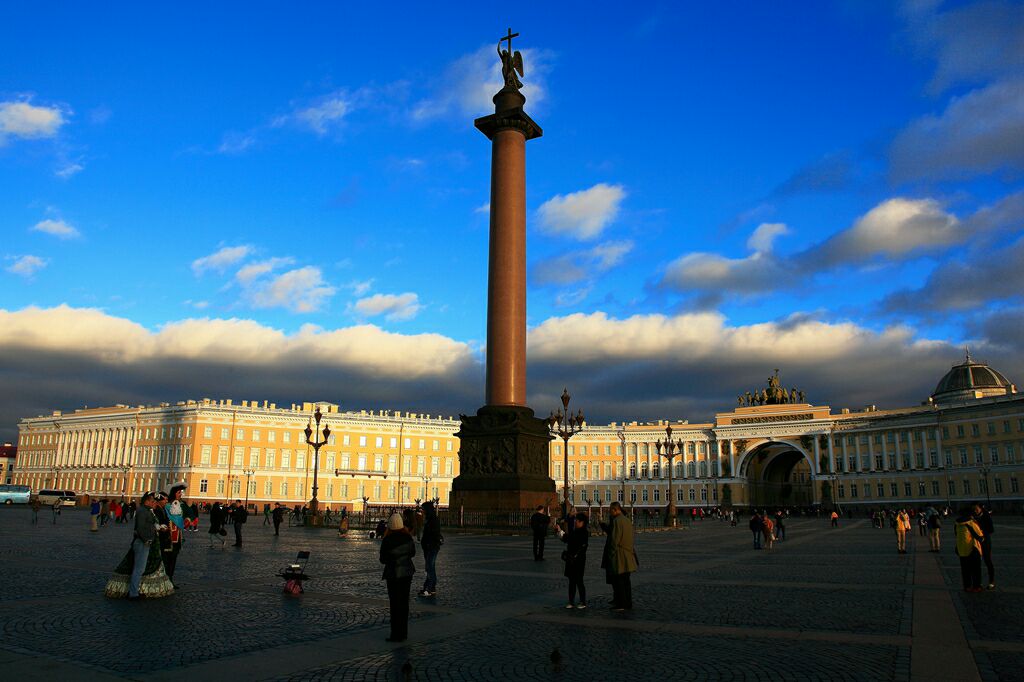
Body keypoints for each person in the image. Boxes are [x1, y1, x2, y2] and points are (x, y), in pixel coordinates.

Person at [105, 492, 174, 599]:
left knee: (140, 568)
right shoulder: (142, 511)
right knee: (139, 569)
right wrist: (147, 540)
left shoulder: (147, 510)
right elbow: (141, 528)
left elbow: (150, 524)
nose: (153, 503)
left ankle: (136, 590)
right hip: (142, 542)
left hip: (146, 541)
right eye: (152, 501)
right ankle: (133, 594)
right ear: (146, 501)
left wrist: (158, 527)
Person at [380, 512, 416, 643]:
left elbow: (382, 559)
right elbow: (412, 553)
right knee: (404, 603)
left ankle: (396, 634)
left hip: (393, 574)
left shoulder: (387, 540)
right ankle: (404, 632)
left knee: (394, 604)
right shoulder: (408, 538)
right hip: (406, 573)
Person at [600, 501, 637, 611]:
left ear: (615, 509)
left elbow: (614, 540)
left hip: (619, 556)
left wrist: (610, 554)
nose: (610, 512)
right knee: (626, 581)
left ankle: (621, 604)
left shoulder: (617, 521)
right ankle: (628, 603)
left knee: (619, 581)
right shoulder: (626, 520)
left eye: (611, 510)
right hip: (628, 555)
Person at [559, 512, 589, 609]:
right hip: (571, 559)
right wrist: (560, 531)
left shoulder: (583, 532)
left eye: (577, 520)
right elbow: (567, 539)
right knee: (572, 581)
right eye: (575, 520)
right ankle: (571, 601)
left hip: (578, 559)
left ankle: (583, 601)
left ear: (582, 522)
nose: (575, 521)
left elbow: (577, 543)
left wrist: (562, 532)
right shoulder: (575, 531)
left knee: (579, 581)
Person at [954, 505, 985, 593]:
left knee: (965, 570)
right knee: (976, 569)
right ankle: (976, 586)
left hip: (961, 549)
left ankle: (967, 586)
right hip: (973, 549)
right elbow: (980, 537)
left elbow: (956, 535)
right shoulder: (970, 523)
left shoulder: (957, 524)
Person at [163, 483, 187, 585]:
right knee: (167, 560)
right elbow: (177, 519)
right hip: (169, 538)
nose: (180, 494)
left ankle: (170, 579)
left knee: (173, 560)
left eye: (180, 492)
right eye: (178, 492)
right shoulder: (169, 506)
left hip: (177, 537)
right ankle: (166, 580)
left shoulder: (178, 504)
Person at [419, 501, 443, 597]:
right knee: (429, 568)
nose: (422, 511)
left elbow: (433, 534)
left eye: (423, 509)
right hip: (428, 547)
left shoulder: (433, 520)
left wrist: (427, 543)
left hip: (431, 547)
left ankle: (429, 588)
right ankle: (429, 588)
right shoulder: (429, 519)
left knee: (430, 568)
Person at [973, 503, 995, 589]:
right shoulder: (973, 517)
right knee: (976, 562)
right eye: (973, 509)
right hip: (976, 541)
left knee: (987, 560)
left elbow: (991, 529)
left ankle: (991, 582)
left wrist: (981, 530)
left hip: (985, 540)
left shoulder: (986, 516)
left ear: (981, 508)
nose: (975, 511)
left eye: (976, 509)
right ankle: (978, 583)